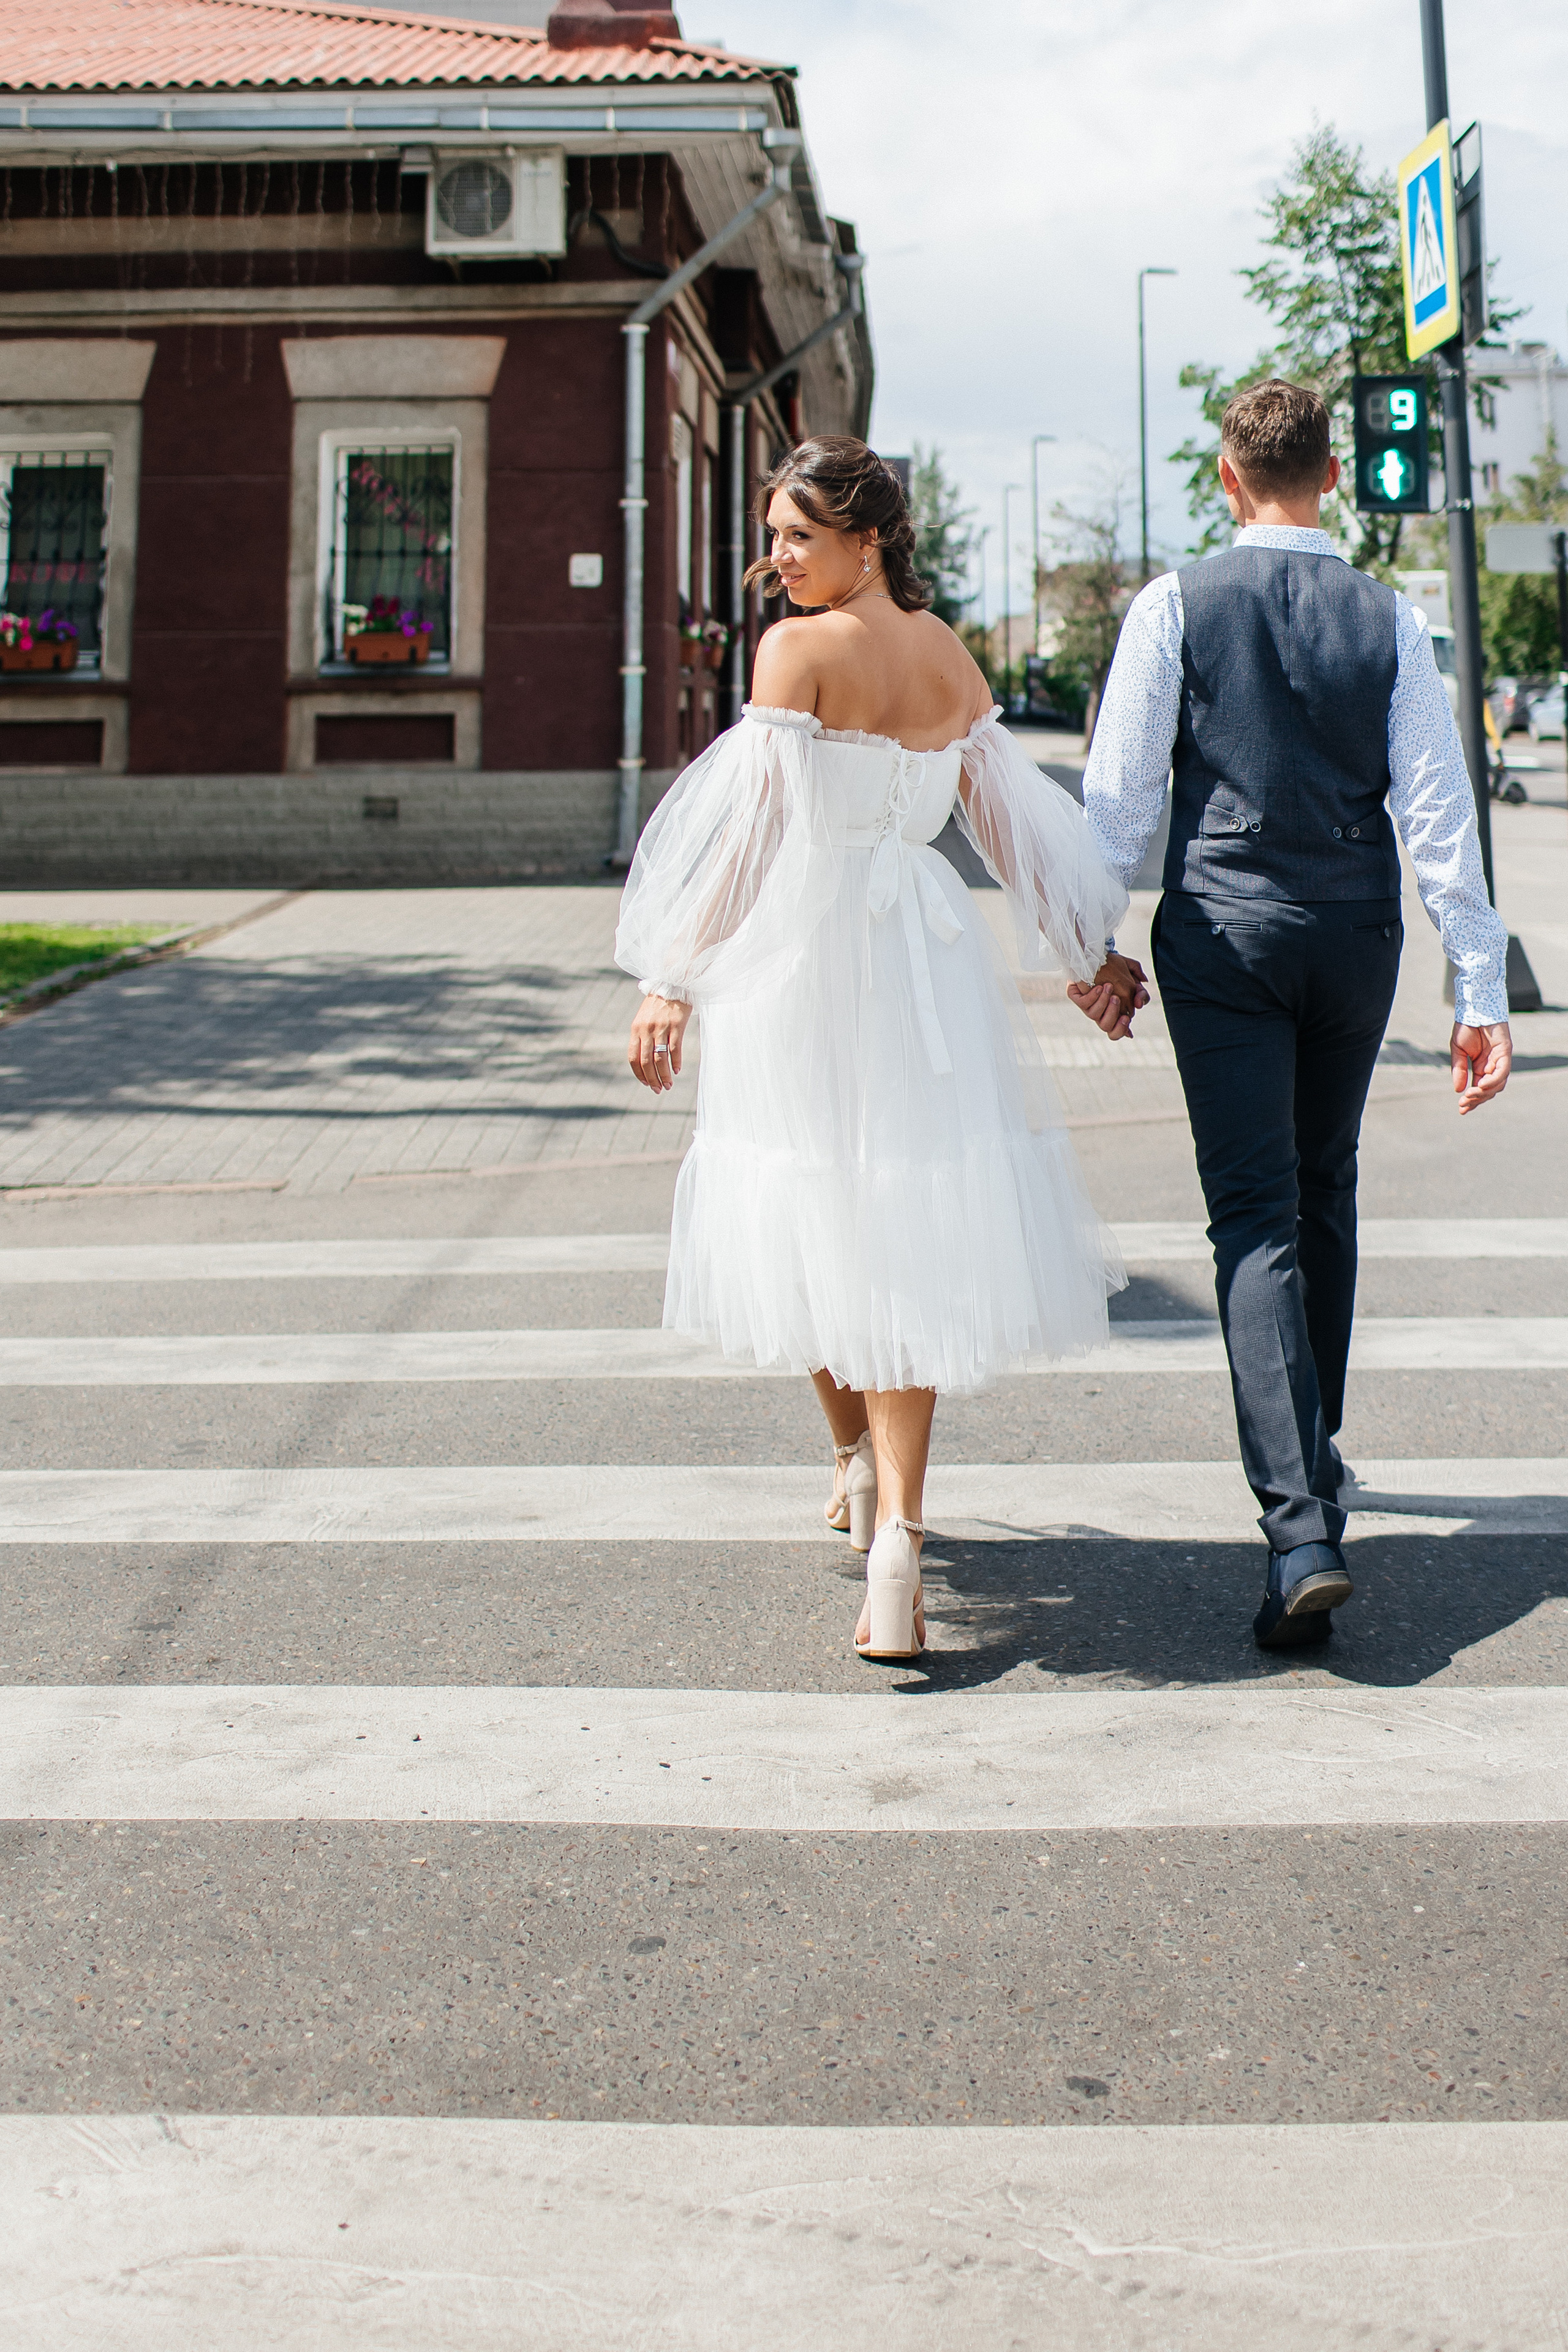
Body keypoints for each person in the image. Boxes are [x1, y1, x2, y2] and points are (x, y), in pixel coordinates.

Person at [617, 436, 1144, 1662]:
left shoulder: (796, 650)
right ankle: (893, 1523)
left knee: (805, 1209)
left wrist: (671, 979)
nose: (776, 557)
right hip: (921, 955)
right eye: (774, 533)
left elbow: (748, 838)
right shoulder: (946, 653)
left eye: (798, 534)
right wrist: (1085, 954)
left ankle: (862, 1473)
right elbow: (1013, 827)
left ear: (867, 539)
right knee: (899, 1225)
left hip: (801, 961)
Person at [1083, 377, 1512, 1652]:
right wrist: (1473, 990)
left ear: (1226, 479)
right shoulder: (1389, 618)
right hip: (1349, 935)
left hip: (1220, 936)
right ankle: (1311, 1470)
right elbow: (1435, 812)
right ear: (1331, 477)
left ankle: (1297, 1526)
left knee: (1251, 1219)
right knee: (1323, 1188)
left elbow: (1117, 799)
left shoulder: (1172, 605)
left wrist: (1087, 946)